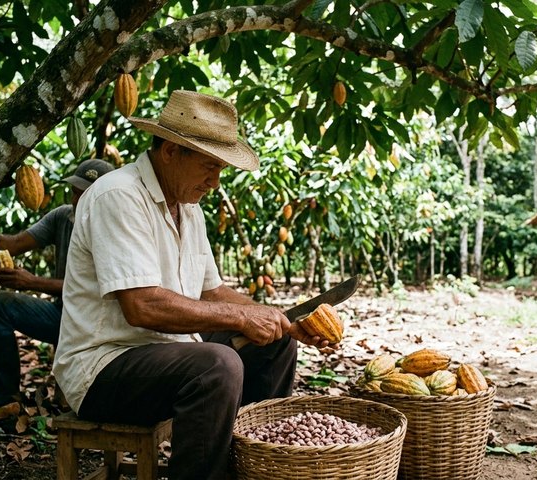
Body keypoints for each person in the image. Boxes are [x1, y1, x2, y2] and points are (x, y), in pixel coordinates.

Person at [53, 91, 331, 480]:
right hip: (101, 368)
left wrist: (283, 320)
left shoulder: (189, 207)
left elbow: (211, 291)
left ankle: (251, 465)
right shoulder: (118, 195)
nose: (215, 182)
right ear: (170, 152)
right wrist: (241, 318)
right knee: (217, 366)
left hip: (164, 355)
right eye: (209, 167)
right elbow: (143, 306)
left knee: (276, 345)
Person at [0, 159, 114, 421]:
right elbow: (13, 244)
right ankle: (4, 395)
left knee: (73, 403)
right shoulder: (62, 216)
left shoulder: (116, 228)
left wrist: (32, 281)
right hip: (61, 315)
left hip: (97, 325)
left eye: (87, 193)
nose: (78, 199)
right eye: (75, 191)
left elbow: (96, 289)